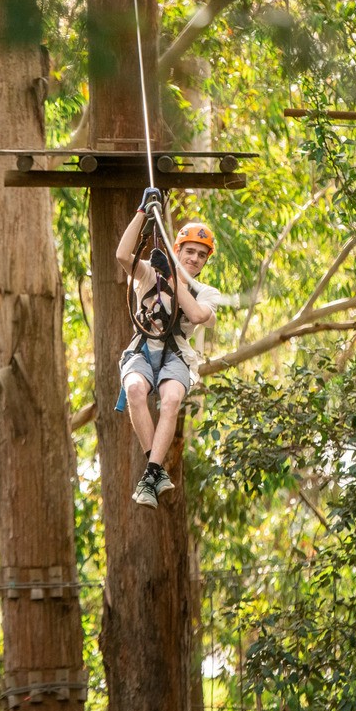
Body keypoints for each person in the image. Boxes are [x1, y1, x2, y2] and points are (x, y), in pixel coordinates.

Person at [115, 187, 221, 508]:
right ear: (177, 250)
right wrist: (142, 213)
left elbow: (199, 315)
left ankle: (150, 473)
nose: (194, 259)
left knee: (172, 398)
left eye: (201, 255)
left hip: (176, 354)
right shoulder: (150, 273)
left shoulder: (206, 292)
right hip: (143, 349)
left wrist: (175, 277)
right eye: (189, 251)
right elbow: (122, 255)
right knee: (134, 389)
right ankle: (155, 471)